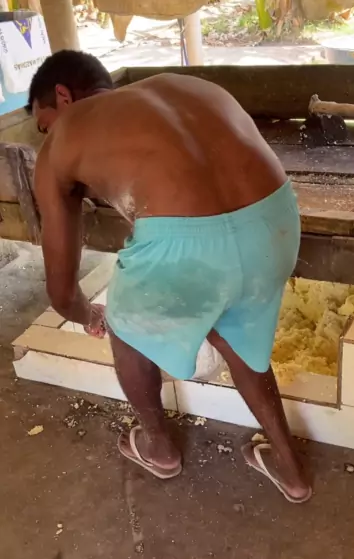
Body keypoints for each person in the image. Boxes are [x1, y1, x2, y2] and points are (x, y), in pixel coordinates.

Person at [28, 50, 312, 503]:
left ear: (62, 96)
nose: (47, 135)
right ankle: (290, 469)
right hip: (276, 222)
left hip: (189, 244)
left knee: (125, 322)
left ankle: (158, 448)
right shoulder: (182, 85)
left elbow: (61, 291)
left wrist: (90, 314)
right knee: (238, 333)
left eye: (44, 125)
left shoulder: (66, 134)